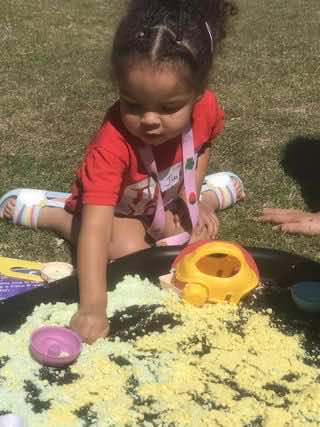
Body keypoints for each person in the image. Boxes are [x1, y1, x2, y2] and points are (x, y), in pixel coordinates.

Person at [0, 0, 243, 343]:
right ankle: (57, 213)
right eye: (133, 104)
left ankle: (207, 197)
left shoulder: (206, 109)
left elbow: (202, 146)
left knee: (195, 239)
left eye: (168, 108)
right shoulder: (110, 146)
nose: (149, 120)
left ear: (198, 92)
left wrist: (194, 201)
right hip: (114, 209)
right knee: (131, 255)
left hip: (164, 193)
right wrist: (93, 307)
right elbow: (98, 229)